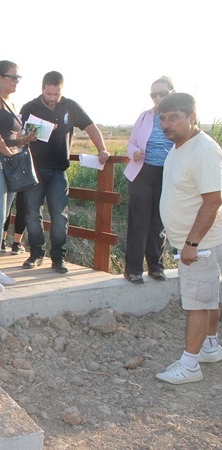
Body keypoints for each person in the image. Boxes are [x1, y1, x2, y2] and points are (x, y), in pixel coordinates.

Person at [155, 93, 222, 385]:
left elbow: (213, 199)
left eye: (174, 117)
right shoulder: (179, 147)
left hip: (201, 243)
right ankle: (209, 345)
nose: (166, 124)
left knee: (195, 302)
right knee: (206, 296)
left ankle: (190, 365)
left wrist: (193, 243)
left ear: (191, 117)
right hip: (195, 242)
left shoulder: (202, 150)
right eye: (162, 118)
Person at [20, 71, 109, 273]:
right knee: (33, 214)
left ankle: (58, 258)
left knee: (60, 216)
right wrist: (26, 138)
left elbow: (90, 126)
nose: (52, 98)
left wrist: (102, 149)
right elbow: (17, 134)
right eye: (49, 94)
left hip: (59, 170)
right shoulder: (29, 107)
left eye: (56, 94)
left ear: (62, 90)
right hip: (34, 169)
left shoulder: (70, 106)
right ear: (42, 89)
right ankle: (36, 254)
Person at [0, 60, 37, 292]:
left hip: (5, 159)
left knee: (2, 218)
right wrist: (9, 152)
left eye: (18, 77)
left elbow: (9, 136)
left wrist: (25, 139)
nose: (16, 81)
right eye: (13, 77)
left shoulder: (10, 103)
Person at [123, 76, 175, 283]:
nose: (158, 98)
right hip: (142, 173)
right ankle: (133, 270)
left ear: (172, 93)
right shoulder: (145, 117)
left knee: (158, 222)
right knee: (139, 221)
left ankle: (156, 267)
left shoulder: (178, 117)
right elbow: (132, 143)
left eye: (163, 93)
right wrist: (134, 152)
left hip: (167, 174)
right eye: (154, 94)